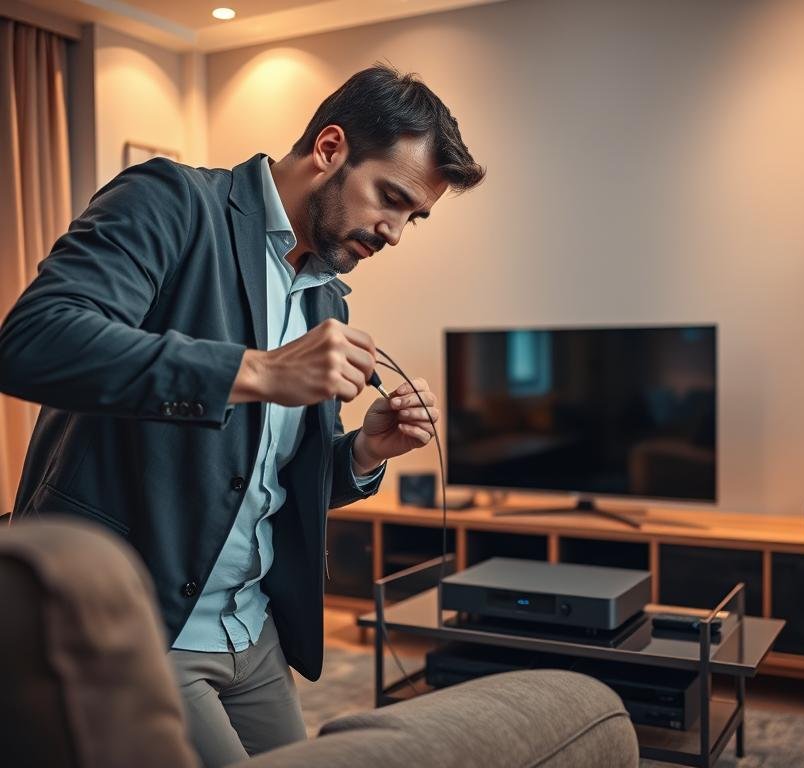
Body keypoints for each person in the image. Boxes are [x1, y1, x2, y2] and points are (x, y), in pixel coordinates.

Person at [0, 64, 484, 767]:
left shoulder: (328, 296)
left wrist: (363, 454)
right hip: (144, 626)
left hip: (252, 635)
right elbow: (34, 342)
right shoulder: (170, 201)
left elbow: (265, 482)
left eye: (415, 216)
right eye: (392, 198)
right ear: (329, 148)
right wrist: (255, 368)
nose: (397, 232)